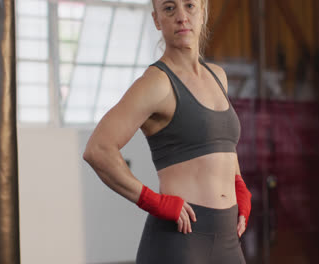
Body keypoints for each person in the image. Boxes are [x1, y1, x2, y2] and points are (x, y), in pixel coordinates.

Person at [82, 0, 252, 263]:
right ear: (156, 20)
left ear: (203, 12)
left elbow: (222, 145)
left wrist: (239, 184)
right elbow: (98, 149)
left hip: (228, 239)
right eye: (169, 8)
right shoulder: (156, 83)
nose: (181, 17)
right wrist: (153, 202)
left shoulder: (218, 76)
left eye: (190, 6)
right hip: (181, 241)